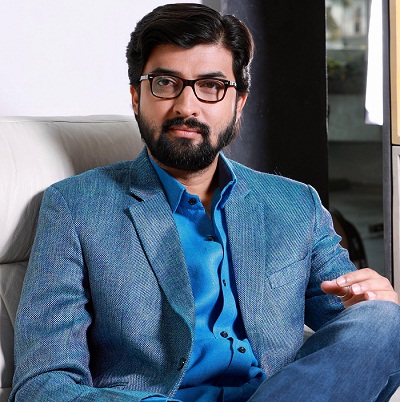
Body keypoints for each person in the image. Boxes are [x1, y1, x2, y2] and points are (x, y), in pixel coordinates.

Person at [10, 3, 400, 402]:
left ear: (239, 102)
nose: (186, 106)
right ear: (136, 96)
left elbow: (353, 331)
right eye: (165, 83)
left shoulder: (296, 205)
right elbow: (43, 384)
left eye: (211, 86)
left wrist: (372, 302)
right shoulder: (76, 208)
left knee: (387, 318)